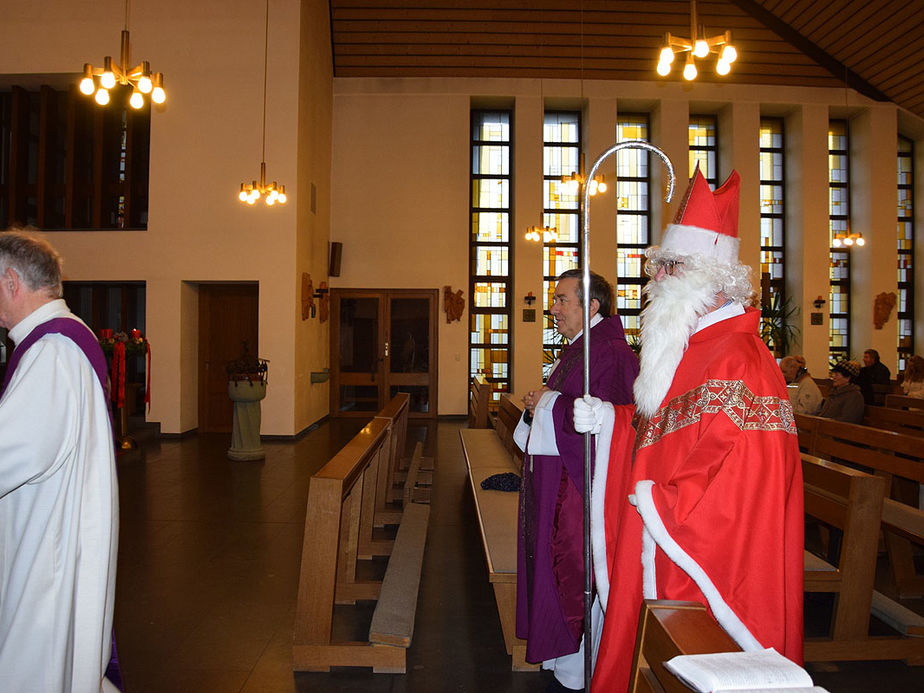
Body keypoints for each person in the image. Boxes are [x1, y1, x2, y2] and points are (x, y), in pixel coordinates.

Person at [574, 170, 803, 692]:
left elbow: (746, 472)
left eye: (667, 268)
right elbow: (664, 433)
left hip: (695, 554)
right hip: (659, 528)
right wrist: (613, 420)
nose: (654, 280)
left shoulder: (741, 359)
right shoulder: (687, 349)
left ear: (707, 276)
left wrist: (665, 504)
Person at [0, 231, 120, 692]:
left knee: (36, 657)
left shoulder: (53, 349)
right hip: (54, 520)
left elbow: (22, 448)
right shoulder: (69, 336)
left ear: (12, 281)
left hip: (45, 534)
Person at [514, 268, 638, 691]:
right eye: (556, 299)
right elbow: (569, 408)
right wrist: (541, 406)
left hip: (585, 492)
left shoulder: (611, 353)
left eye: (563, 299)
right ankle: (562, 655)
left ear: (593, 305)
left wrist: (547, 403)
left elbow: (621, 423)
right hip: (562, 484)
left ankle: (581, 661)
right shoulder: (581, 348)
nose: (554, 308)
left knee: (575, 568)